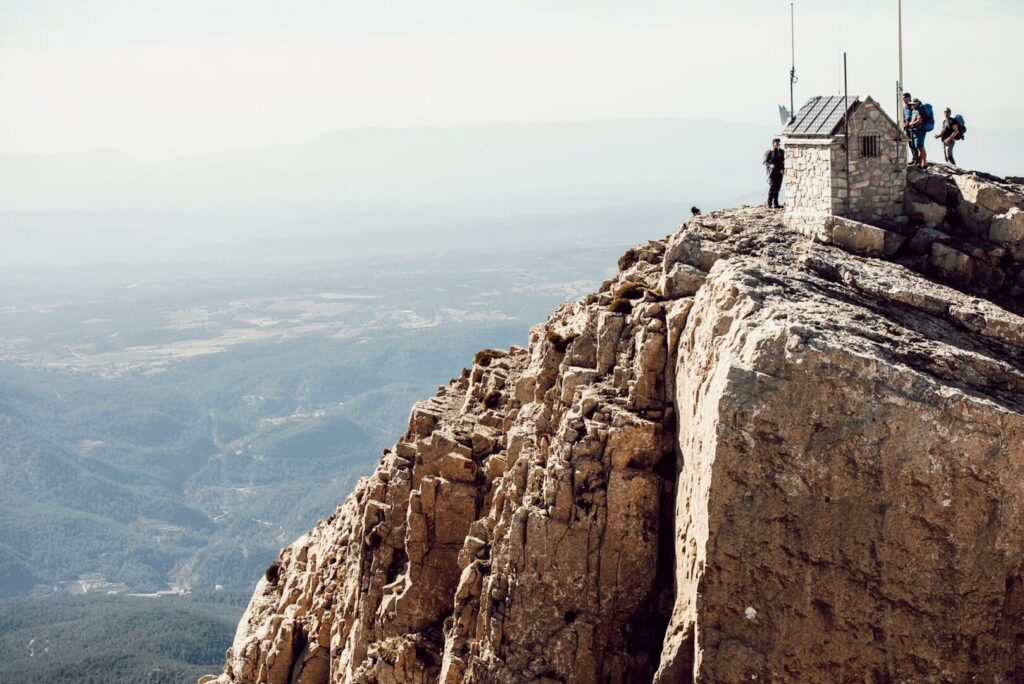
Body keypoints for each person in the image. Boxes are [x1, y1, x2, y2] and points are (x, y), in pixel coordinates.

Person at [763, 138, 785, 209]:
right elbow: (765, 162)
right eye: (776, 143)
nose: (778, 144)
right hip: (772, 172)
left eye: (778, 143)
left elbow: (784, 161)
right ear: (773, 144)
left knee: (778, 188)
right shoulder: (770, 152)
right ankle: (769, 203)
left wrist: (783, 169)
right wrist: (770, 165)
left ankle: (776, 203)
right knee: (772, 187)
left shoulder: (782, 151)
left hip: (780, 172)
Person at [908, 99, 928, 169]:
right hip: (916, 131)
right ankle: (921, 163)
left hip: (920, 131)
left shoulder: (919, 110)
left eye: (913, 104)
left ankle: (924, 163)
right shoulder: (914, 111)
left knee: (921, 147)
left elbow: (919, 121)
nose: (912, 105)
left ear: (917, 104)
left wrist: (911, 124)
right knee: (919, 147)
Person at [902, 92, 919, 167]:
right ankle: (914, 159)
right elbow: (905, 117)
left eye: (904, 98)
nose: (903, 99)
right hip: (907, 127)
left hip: (912, 127)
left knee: (913, 144)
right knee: (910, 144)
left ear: (909, 98)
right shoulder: (905, 106)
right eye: (903, 98)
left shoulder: (911, 106)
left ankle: (916, 159)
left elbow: (910, 117)